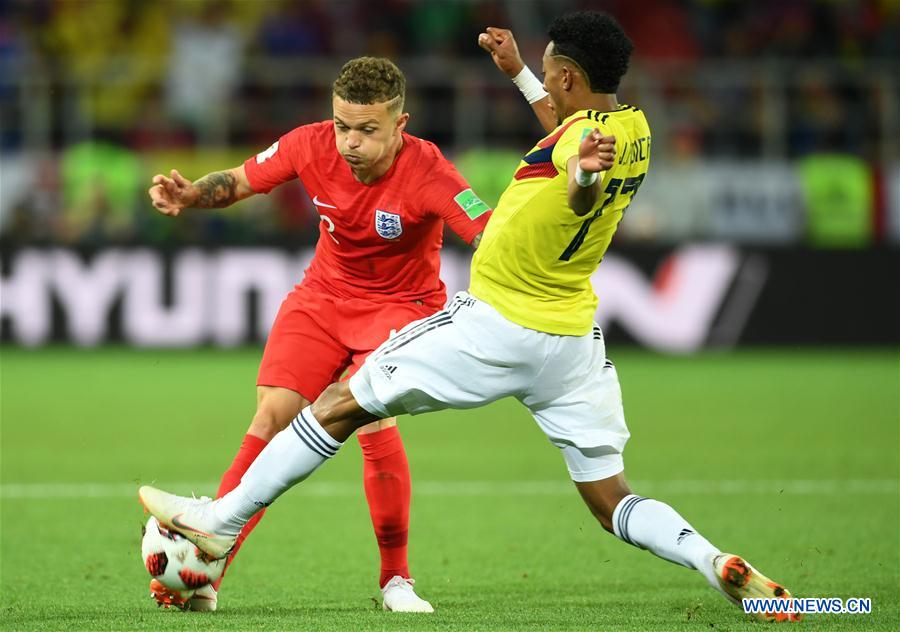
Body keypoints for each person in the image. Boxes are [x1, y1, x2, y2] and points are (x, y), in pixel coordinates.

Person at [140, 12, 800, 623]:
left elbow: (577, 179)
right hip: (571, 339)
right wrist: (519, 74)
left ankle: (222, 523)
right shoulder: (634, 130)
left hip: (497, 321)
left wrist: (582, 178)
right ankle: (713, 560)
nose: (544, 78)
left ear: (569, 78)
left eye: (548, 70)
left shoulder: (568, 151)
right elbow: (567, 131)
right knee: (612, 500)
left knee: (340, 404)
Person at [145, 56, 495, 612]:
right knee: (270, 418)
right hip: (322, 298)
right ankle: (209, 571)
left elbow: (490, 236)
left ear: (400, 124)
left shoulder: (431, 171)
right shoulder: (309, 144)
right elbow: (239, 181)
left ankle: (396, 581)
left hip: (399, 309)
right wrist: (190, 196)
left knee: (371, 420)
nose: (350, 142)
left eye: (367, 130)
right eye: (342, 125)